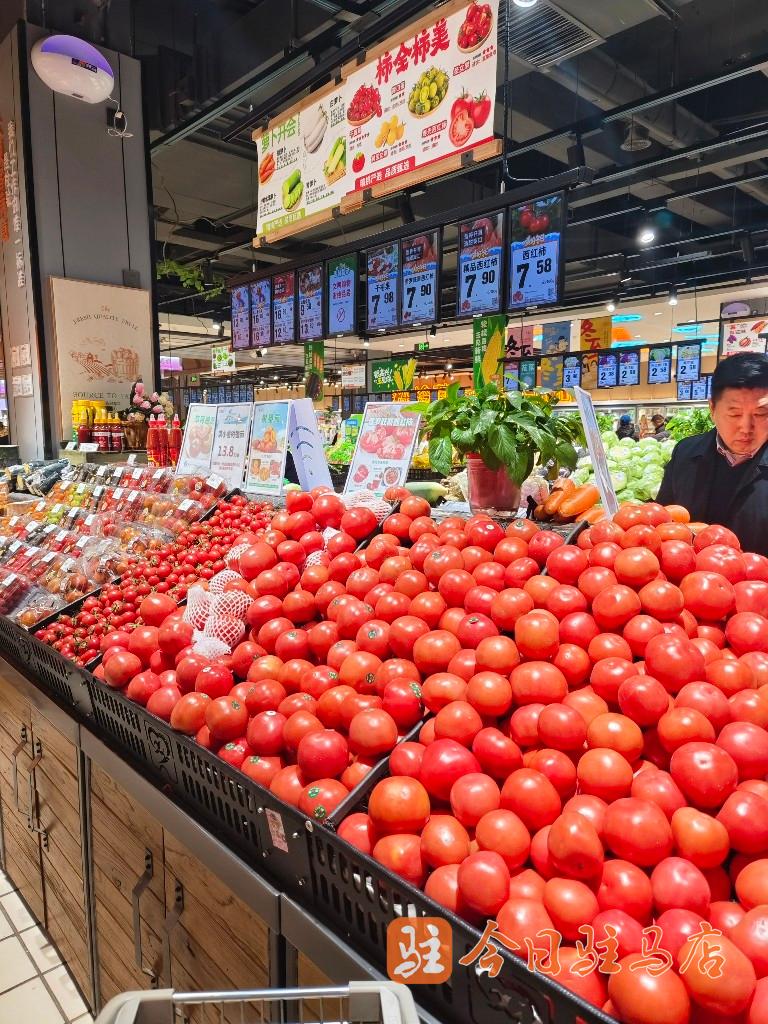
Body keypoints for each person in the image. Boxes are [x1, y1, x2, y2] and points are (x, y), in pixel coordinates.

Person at [656, 353, 768, 555]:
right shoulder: (685, 453)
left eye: (761, 413)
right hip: (690, 581)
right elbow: (662, 519)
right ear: (712, 408)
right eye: (734, 413)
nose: (746, 427)